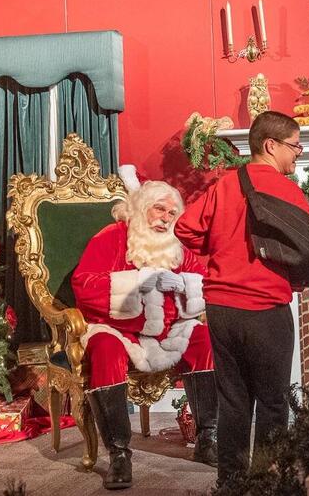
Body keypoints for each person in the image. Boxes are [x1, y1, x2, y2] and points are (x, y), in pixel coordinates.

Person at [174, 111, 309, 487]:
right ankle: (268, 482)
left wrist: (219, 246)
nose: (298, 153)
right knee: (272, 402)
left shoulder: (224, 185)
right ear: (271, 145)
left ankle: (232, 484)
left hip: (221, 309)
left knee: (233, 401)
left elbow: (185, 228)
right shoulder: (286, 190)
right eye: (295, 145)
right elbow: (304, 247)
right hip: (265, 307)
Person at [71, 174, 218, 490]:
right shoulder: (112, 237)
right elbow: (85, 285)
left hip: (166, 331)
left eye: (171, 213)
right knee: (105, 350)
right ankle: (119, 454)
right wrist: (142, 284)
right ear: (141, 209)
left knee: (204, 338)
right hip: (117, 329)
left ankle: (208, 436)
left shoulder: (176, 247)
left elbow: (203, 281)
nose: (165, 219)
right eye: (159, 210)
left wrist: (182, 285)